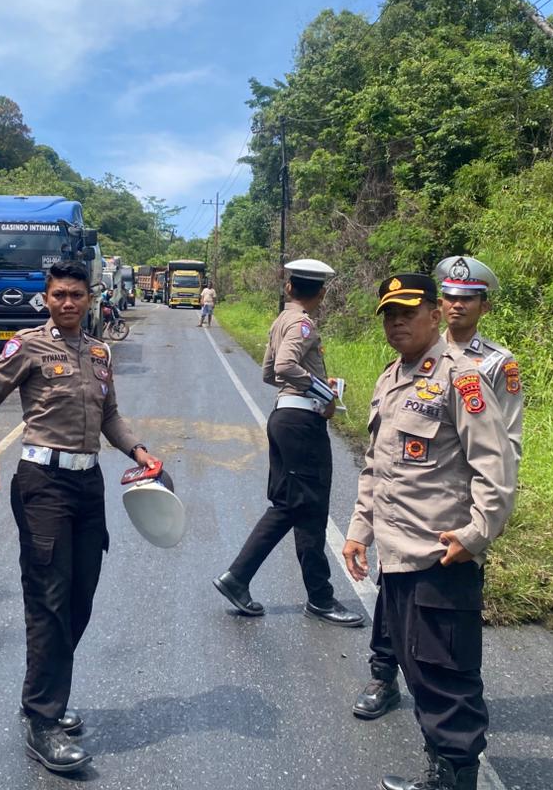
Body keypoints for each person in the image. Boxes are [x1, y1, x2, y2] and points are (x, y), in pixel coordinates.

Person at [0, 259, 162, 774]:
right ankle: (43, 720)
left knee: (80, 597)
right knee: (50, 598)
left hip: (87, 483)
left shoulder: (99, 353)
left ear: (90, 298)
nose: (68, 302)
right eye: (59, 295)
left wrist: (139, 452)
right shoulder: (28, 346)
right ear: (46, 299)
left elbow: (110, 417)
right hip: (42, 484)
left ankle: (42, 694)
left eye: (76, 294)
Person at [342, 273, 515, 790]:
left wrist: (477, 533)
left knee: (446, 676)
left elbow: (496, 465)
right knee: (417, 669)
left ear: (434, 316)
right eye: (389, 314)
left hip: (441, 555)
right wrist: (358, 531)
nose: (396, 322)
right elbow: (376, 467)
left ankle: (455, 777)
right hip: (396, 554)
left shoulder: (461, 379)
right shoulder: (391, 377)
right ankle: (442, 771)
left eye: (407, 312)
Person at [213, 259, 363, 627]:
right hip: (301, 424)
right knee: (295, 504)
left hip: (285, 417)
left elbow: (268, 372)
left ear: (289, 288)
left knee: (306, 508)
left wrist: (308, 386)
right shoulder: (302, 323)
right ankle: (238, 576)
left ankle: (319, 596)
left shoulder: (281, 320)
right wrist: (325, 392)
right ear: (322, 293)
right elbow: (283, 367)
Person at [435, 255, 523, 472]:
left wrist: (501, 486)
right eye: (450, 297)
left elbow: (509, 432)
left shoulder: (499, 361)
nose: (457, 305)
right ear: (440, 303)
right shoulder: (426, 351)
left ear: (484, 307)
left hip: (471, 476)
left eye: (467, 299)